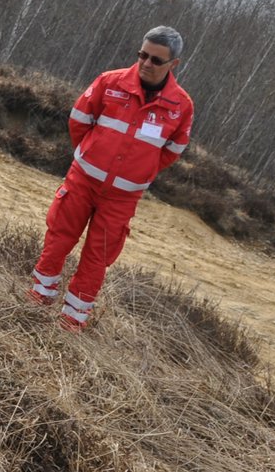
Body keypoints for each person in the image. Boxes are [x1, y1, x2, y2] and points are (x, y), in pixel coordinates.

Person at [26, 26, 195, 330]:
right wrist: (92, 155)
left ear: (174, 65)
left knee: (98, 257)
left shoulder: (181, 106)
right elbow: (79, 120)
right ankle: (38, 298)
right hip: (83, 180)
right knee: (59, 237)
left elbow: (173, 151)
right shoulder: (110, 81)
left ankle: (72, 320)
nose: (146, 63)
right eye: (142, 55)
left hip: (122, 197)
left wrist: (138, 171)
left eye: (156, 60)